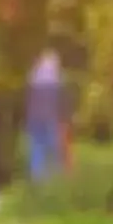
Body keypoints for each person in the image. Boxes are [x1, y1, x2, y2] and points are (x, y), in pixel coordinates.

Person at [25, 48, 72, 183]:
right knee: (55, 149)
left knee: (37, 150)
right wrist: (65, 120)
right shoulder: (58, 80)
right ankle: (57, 181)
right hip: (52, 119)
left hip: (35, 120)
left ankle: (38, 180)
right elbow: (62, 103)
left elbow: (29, 102)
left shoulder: (33, 78)